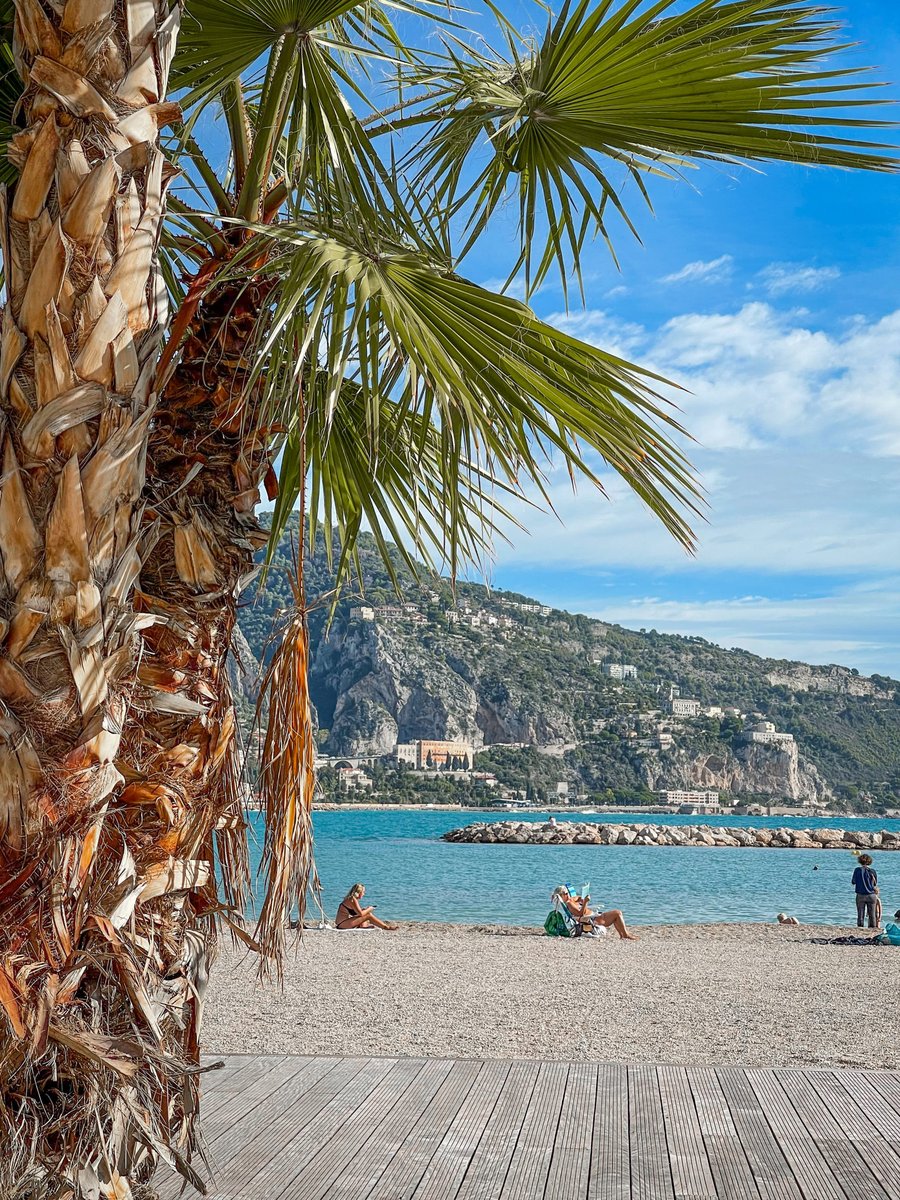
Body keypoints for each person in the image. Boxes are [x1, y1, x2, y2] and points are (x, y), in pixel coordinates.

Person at [556, 885, 638, 941]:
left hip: (594, 916)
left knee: (616, 915)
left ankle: (622, 935)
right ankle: (625, 935)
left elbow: (577, 898)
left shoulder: (571, 900)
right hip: (592, 920)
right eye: (565, 894)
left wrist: (583, 897)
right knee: (617, 913)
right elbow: (581, 914)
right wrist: (585, 902)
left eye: (567, 893)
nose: (568, 895)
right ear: (561, 896)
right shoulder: (569, 903)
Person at [851, 854, 880, 929]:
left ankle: (860, 927)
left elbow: (853, 881)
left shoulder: (857, 870)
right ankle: (872, 927)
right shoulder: (872, 871)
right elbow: (875, 883)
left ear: (860, 861)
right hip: (871, 895)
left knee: (860, 913)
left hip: (860, 894)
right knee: (872, 914)